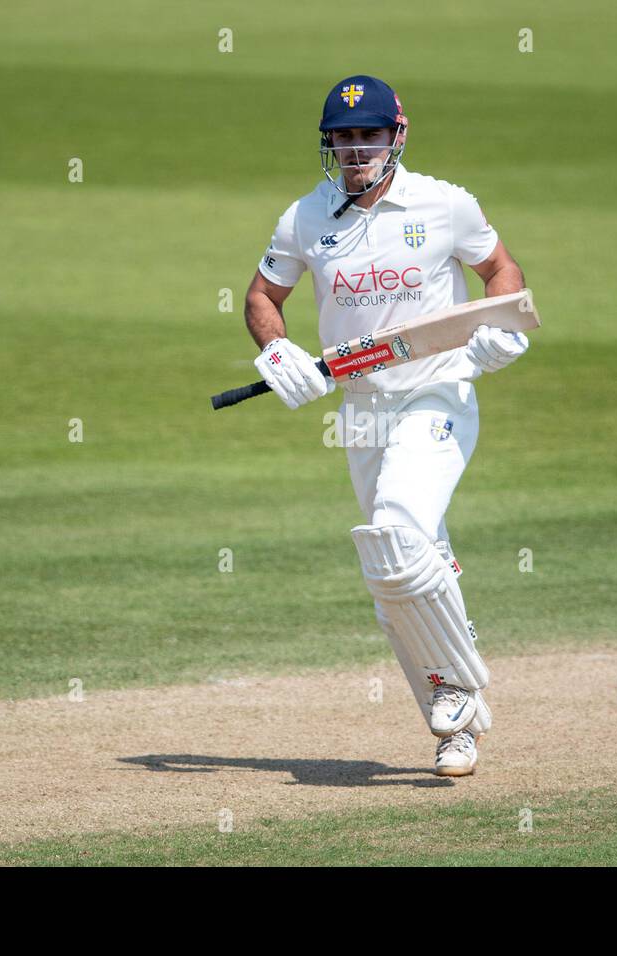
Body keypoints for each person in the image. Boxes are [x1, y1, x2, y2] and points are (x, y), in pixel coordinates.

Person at [242, 74, 528, 776]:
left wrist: (500, 330)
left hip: (436, 394)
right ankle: (456, 726)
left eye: (369, 135)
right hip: (361, 409)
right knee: (393, 564)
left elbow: (500, 271)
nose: (356, 149)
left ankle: (459, 689)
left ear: (396, 136)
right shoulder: (306, 217)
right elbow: (261, 297)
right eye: (343, 138)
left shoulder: (444, 204)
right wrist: (280, 351)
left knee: (399, 530)